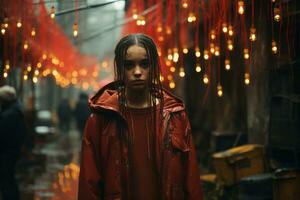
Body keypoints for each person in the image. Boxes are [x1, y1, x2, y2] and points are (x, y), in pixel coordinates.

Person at [78, 34, 203, 200]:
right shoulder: (101, 120)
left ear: (153, 67)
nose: (137, 72)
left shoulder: (175, 116)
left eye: (144, 64)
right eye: (129, 65)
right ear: (120, 68)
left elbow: (191, 180)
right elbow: (89, 184)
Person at [0, 85, 27, 200]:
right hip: (12, 151)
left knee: (7, 179)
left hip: (7, 152)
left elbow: (3, 135)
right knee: (9, 178)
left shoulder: (9, 115)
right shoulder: (16, 111)